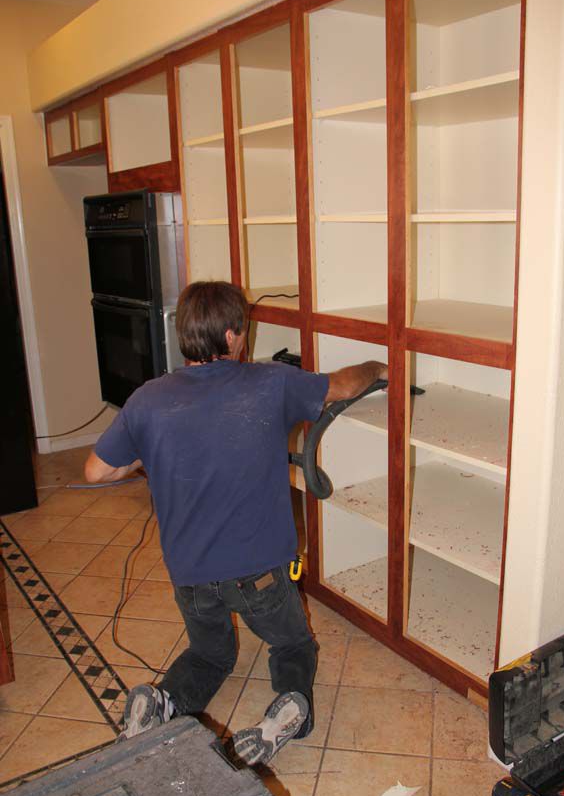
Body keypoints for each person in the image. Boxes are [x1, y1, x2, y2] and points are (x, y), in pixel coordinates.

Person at [85, 281, 387, 765]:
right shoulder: (270, 383)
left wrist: (152, 457)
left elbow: (97, 470)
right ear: (231, 337)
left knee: (210, 654)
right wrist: (378, 367)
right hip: (260, 571)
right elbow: (342, 385)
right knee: (292, 642)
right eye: (242, 331)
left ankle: (162, 702)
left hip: (190, 575)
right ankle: (290, 706)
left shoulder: (147, 399)